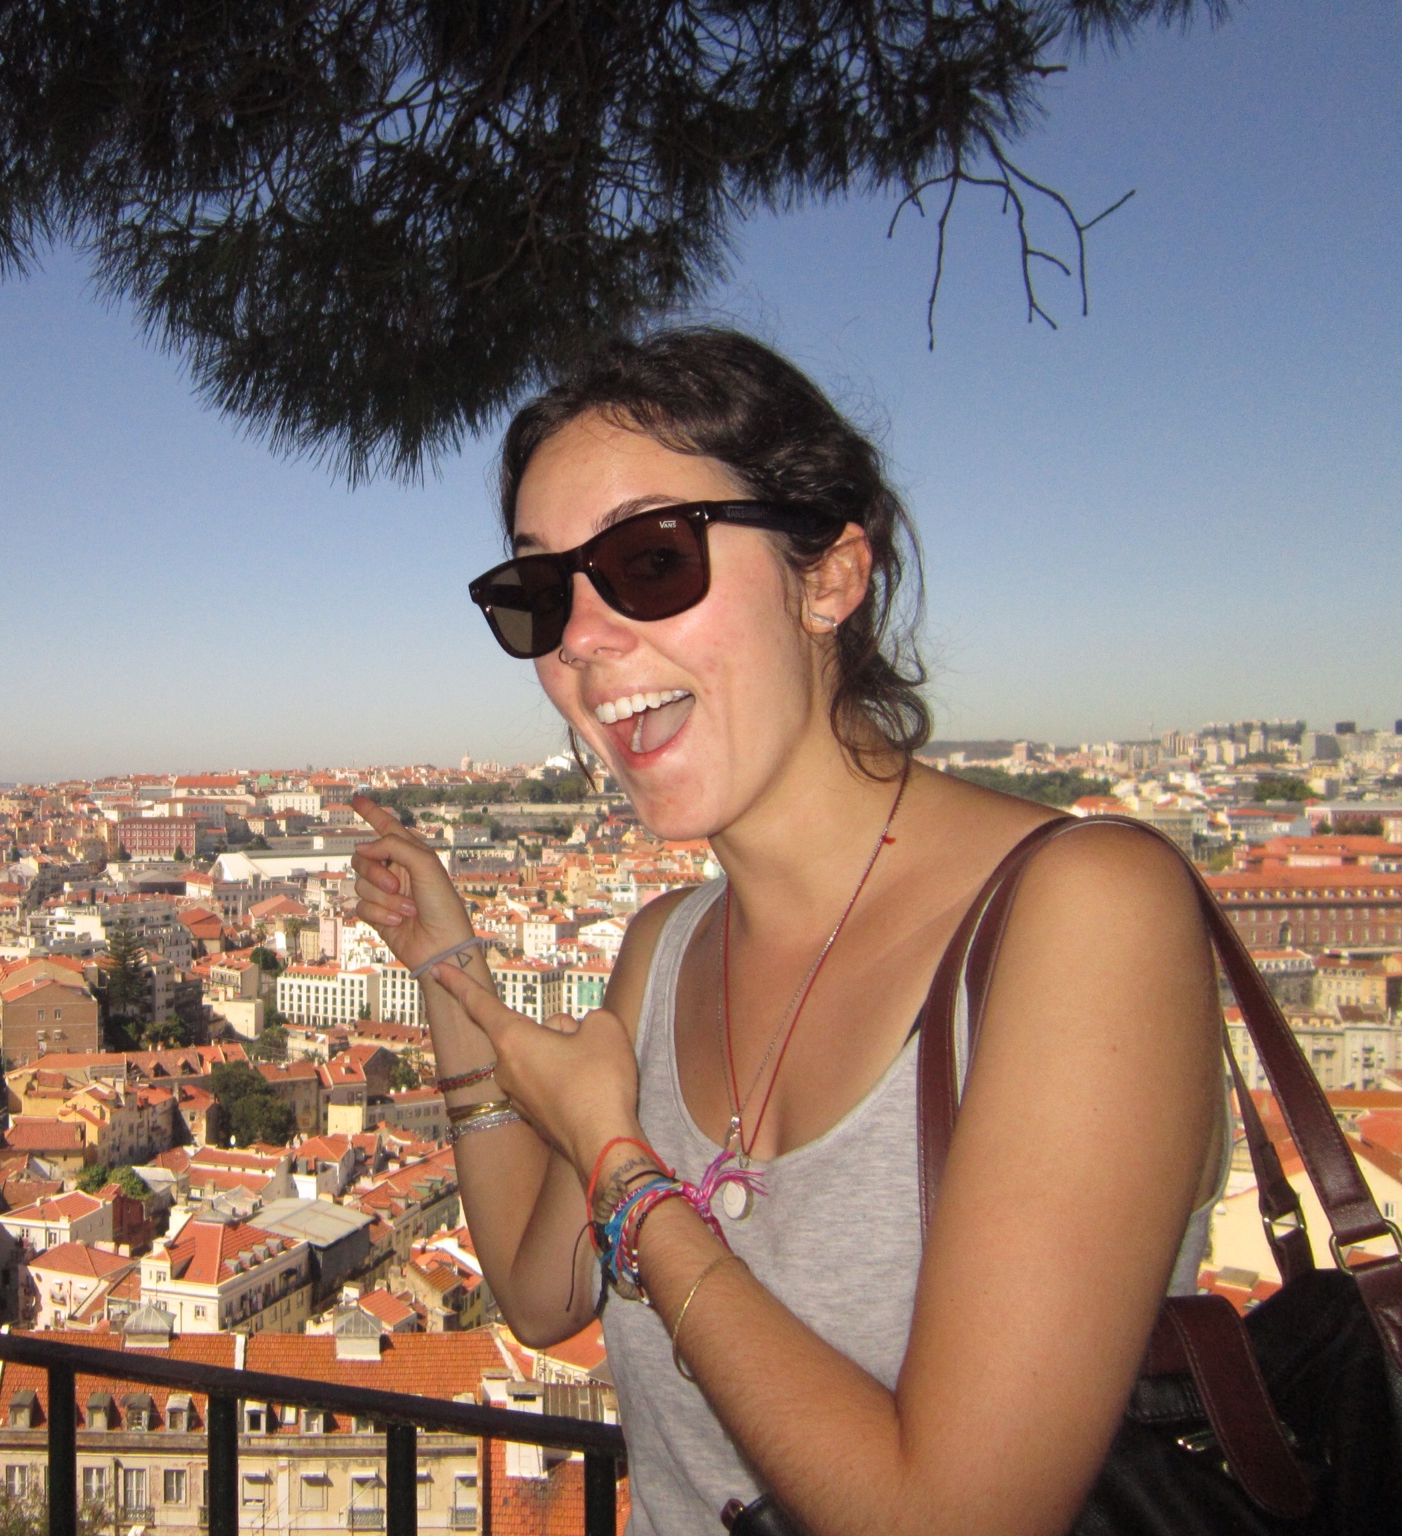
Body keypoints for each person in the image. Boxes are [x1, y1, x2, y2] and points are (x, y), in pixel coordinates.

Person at [348, 329, 1225, 1536]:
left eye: (650, 560)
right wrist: (446, 967)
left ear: (828, 577)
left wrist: (618, 1167)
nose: (583, 640)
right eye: (541, 593)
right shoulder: (662, 947)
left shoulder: (1079, 912)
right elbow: (542, 1290)